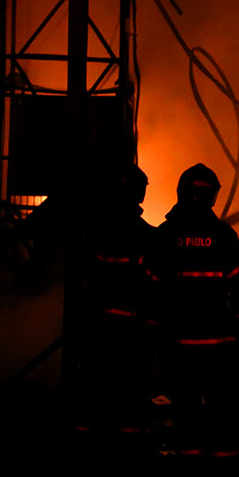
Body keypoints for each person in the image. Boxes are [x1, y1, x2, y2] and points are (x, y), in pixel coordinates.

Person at [146, 163, 239, 457]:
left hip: (178, 346)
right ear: (212, 197)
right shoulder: (224, 236)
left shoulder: (165, 236)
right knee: (222, 414)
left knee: (186, 414)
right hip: (220, 347)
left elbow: (150, 293)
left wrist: (153, 337)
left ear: (182, 192)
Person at [75, 161, 156, 436]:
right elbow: (155, 287)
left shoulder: (92, 232)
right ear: (140, 194)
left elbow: (81, 278)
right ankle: (127, 447)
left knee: (92, 387)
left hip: (96, 327)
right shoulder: (149, 237)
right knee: (130, 392)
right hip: (133, 330)